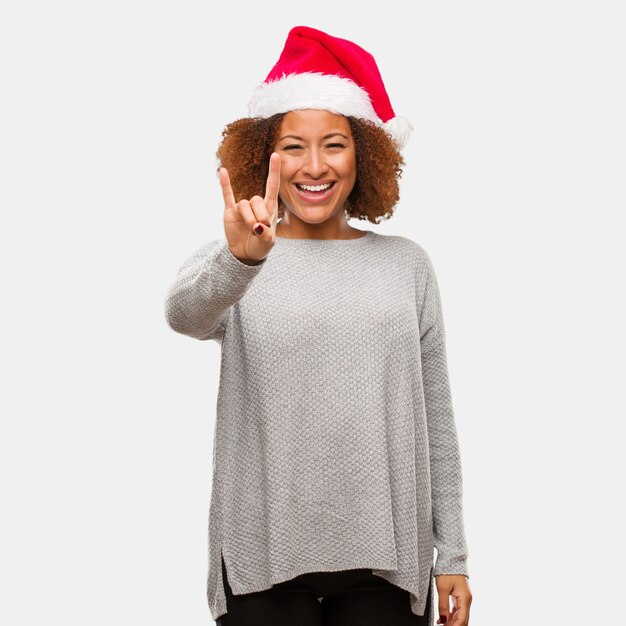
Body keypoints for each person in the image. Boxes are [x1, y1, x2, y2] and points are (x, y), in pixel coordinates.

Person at [164, 25, 472, 626]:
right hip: (262, 555)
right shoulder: (241, 255)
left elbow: (436, 417)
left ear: (364, 153)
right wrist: (241, 262)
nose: (313, 166)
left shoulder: (406, 263)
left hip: (386, 560)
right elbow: (183, 315)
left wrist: (452, 552)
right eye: (293, 146)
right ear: (264, 155)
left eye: (333, 144)